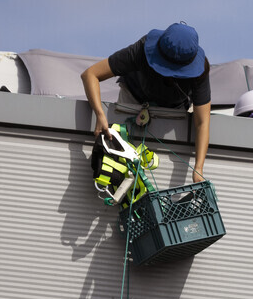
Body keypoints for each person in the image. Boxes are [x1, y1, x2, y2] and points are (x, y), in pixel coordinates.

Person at [82, 22, 211, 182]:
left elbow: (202, 122)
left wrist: (198, 168)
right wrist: (100, 114)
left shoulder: (201, 72)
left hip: (173, 109)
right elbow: (90, 74)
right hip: (133, 99)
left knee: (159, 166)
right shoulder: (142, 50)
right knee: (122, 159)